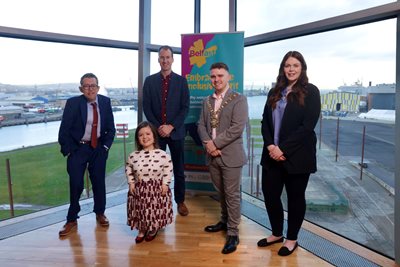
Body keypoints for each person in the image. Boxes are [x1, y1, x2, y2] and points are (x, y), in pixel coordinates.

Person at [258, 51, 321, 256]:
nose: (291, 69)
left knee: (295, 198)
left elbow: (307, 127)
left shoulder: (311, 91)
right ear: (282, 68)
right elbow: (265, 122)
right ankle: (276, 233)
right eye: (287, 65)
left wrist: (282, 149)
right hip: (271, 155)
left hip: (297, 157)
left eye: (295, 65)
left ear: (302, 68)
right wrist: (270, 147)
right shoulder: (274, 91)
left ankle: (292, 238)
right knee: (270, 195)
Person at [197, 62, 248, 254]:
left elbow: (237, 128)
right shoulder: (206, 101)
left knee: (232, 195)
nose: (216, 79)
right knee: (222, 193)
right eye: (213, 76)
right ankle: (225, 221)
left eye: (220, 75)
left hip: (231, 156)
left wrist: (214, 144)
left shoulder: (239, 99)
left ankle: (233, 233)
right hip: (212, 155)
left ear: (228, 77)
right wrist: (208, 144)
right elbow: (200, 125)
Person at [58, 73, 116, 237]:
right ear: (81, 88)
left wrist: (105, 147)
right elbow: (64, 130)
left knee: (98, 182)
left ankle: (100, 213)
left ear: (98, 87)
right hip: (78, 148)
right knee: (76, 184)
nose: (90, 89)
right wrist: (68, 150)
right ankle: (72, 219)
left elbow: (111, 129)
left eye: (93, 86)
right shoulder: (73, 103)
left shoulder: (105, 102)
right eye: (86, 86)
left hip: (98, 147)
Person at [143, 45, 190, 216]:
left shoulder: (181, 81)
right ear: (158, 59)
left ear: (172, 59)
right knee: (156, 170)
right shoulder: (149, 81)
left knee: (178, 170)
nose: (165, 60)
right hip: (157, 134)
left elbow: (185, 108)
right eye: (162, 57)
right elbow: (146, 108)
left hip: (176, 133)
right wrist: (158, 128)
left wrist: (171, 126)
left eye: (168, 57)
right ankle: (158, 200)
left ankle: (180, 201)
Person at [125, 121, 173, 243]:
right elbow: (128, 169)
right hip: (140, 189)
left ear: (154, 136)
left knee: (154, 210)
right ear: (137, 138)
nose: (145, 137)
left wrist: (165, 183)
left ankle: (153, 228)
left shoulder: (162, 155)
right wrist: (131, 183)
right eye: (141, 135)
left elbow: (168, 169)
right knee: (141, 210)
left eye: (147, 134)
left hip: (156, 189)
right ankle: (142, 229)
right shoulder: (133, 156)